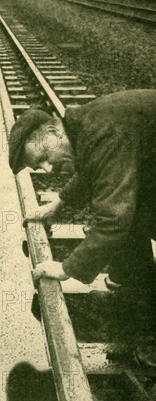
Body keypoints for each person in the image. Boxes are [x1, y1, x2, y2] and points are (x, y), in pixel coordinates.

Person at [8, 90, 156, 289]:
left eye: (43, 157)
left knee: (122, 209)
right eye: (39, 166)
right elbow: (95, 169)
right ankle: (132, 279)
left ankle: (135, 285)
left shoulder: (105, 134)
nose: (48, 169)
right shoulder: (86, 125)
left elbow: (113, 220)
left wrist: (66, 268)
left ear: (53, 132)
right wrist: (58, 204)